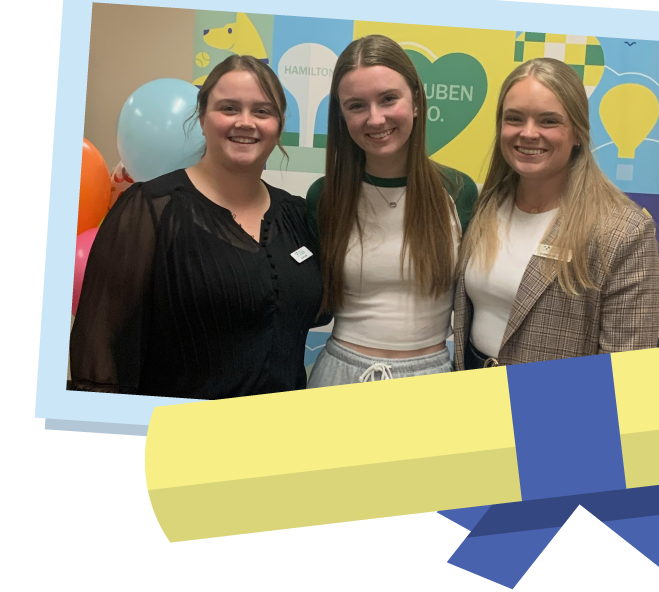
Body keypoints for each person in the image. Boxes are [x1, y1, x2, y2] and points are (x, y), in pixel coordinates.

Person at [69, 55, 327, 399]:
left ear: (278, 126)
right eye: (229, 108)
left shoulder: (296, 215)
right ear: (202, 118)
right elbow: (102, 356)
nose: (246, 122)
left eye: (262, 111)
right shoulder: (151, 210)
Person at [454, 57, 659, 370]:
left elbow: (626, 371)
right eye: (514, 118)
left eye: (548, 121)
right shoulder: (488, 206)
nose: (528, 133)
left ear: (577, 132)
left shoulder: (623, 231)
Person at [306, 35, 478, 387]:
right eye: (356, 106)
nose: (375, 118)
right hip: (340, 375)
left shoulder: (459, 190)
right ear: (341, 116)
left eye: (388, 99)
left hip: (432, 376)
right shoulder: (325, 195)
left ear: (415, 102)